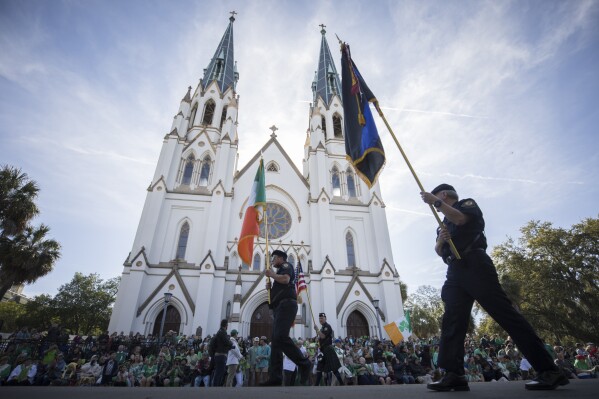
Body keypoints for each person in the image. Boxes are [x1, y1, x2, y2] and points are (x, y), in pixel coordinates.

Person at [421, 184, 569, 391]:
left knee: (505, 314)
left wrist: (434, 201)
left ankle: (549, 370)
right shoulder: (442, 222)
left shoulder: (466, 205)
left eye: (438, 199)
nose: (435, 206)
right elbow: (439, 251)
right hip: (454, 270)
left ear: (443, 195)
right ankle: (454, 373)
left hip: (474, 263)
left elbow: (461, 219)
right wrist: (440, 241)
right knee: (452, 321)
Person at [260, 250, 311, 386]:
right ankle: (275, 377)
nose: (272, 260)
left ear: (281, 258)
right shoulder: (280, 271)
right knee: (276, 342)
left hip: (287, 305)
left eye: (274, 258)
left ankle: (304, 363)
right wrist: (270, 288)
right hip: (279, 307)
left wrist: (272, 274)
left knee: (281, 337)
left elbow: (286, 279)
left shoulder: (286, 266)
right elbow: (281, 284)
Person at [313, 313, 344, 386]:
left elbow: (323, 336)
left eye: (322, 318)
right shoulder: (322, 328)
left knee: (334, 368)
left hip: (328, 349)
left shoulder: (327, 326)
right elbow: (321, 337)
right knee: (320, 367)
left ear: (325, 318)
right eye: (320, 318)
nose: (321, 320)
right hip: (323, 350)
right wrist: (318, 338)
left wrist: (317, 330)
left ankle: (341, 383)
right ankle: (316, 385)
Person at [210, 319, 232, 387]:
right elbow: (226, 342)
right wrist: (231, 343)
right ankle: (216, 386)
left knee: (218, 371)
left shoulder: (218, 332)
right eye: (227, 325)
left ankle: (215, 385)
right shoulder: (223, 332)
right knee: (219, 372)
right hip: (221, 354)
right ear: (226, 325)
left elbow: (214, 343)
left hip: (217, 354)